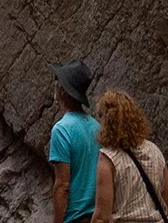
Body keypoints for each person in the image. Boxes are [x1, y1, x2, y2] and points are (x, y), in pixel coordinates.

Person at [91, 89, 168, 223]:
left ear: (107, 122)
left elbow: (101, 218)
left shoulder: (108, 158)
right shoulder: (154, 151)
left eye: (100, 116)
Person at [48, 59, 102, 223]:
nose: (55, 84)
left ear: (63, 90)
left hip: (75, 217)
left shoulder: (61, 130)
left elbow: (63, 186)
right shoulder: (97, 127)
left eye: (58, 81)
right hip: (98, 214)